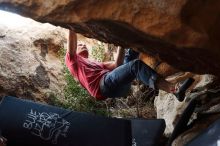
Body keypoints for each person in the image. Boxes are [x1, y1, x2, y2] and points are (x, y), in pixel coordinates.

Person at [65, 30, 194, 102]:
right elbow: (71, 42)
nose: (83, 45)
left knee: (132, 51)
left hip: (120, 88)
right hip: (103, 86)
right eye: (80, 45)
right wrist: (72, 25)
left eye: (84, 44)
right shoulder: (73, 62)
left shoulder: (97, 64)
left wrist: (120, 43)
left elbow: (117, 64)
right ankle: (175, 90)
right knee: (135, 66)